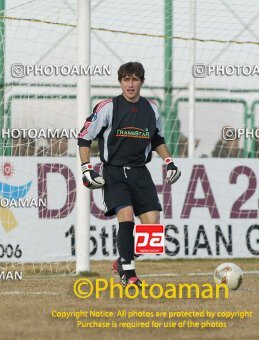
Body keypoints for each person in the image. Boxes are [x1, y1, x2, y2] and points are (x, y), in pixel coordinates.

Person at [77, 62, 181, 287]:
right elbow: (84, 137)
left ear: (141, 81)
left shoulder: (151, 108)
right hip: (114, 171)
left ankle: (122, 260)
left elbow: (156, 138)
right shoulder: (108, 107)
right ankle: (128, 274)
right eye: (126, 79)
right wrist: (86, 168)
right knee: (126, 215)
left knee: (152, 230)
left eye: (134, 79)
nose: (130, 84)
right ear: (120, 82)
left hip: (140, 172)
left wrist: (169, 162)